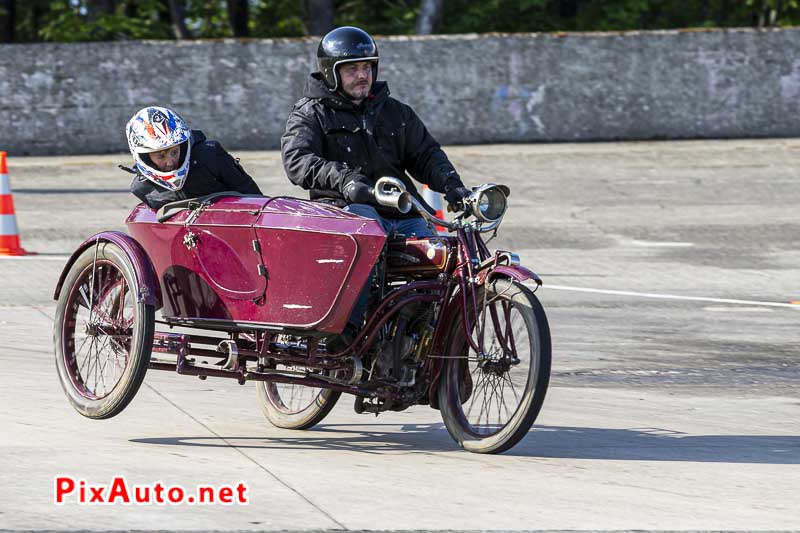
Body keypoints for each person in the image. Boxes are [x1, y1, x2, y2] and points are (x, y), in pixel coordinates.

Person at [280, 26, 472, 345]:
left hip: (399, 210)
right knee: (367, 236)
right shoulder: (311, 113)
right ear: (331, 73)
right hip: (345, 211)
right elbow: (297, 160)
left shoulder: (395, 112)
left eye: (367, 67)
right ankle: (345, 335)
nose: (362, 75)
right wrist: (345, 180)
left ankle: (420, 335)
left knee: (439, 258)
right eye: (352, 68)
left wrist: (454, 187)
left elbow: (426, 154)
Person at [126, 106, 262, 210]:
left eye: (174, 152)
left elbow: (253, 196)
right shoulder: (141, 187)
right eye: (160, 156)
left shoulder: (210, 155)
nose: (170, 162)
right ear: (144, 157)